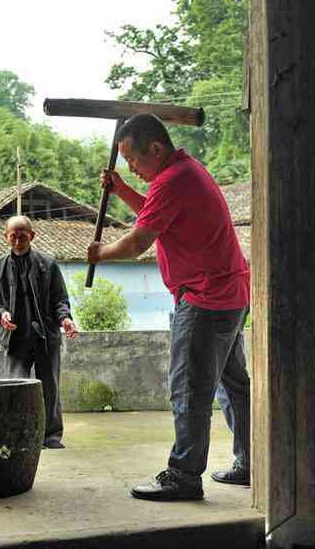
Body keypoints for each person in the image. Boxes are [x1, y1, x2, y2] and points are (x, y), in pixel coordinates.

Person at [87, 114, 251, 501]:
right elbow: (156, 213)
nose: (131, 167)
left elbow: (137, 241)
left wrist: (100, 254)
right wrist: (124, 190)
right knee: (233, 388)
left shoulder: (173, 180)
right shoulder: (185, 172)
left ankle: (183, 475)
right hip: (229, 296)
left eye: (134, 161)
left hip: (205, 299)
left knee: (189, 390)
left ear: (156, 149)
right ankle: (250, 463)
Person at [0, 215, 79, 449]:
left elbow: (60, 299)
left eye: (22, 235)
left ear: (32, 236)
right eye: (13, 236)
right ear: (5, 237)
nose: (18, 241)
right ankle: (18, 435)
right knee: (15, 387)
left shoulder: (48, 265)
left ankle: (51, 436)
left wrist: (65, 319)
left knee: (50, 387)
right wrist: (1, 314)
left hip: (46, 336)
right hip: (15, 338)